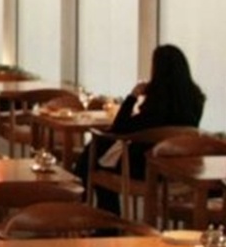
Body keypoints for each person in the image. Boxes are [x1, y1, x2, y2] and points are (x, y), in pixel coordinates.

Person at [82, 43, 207, 213]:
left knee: (95, 152)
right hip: (177, 170)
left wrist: (133, 96)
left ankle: (99, 212)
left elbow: (119, 128)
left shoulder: (157, 105)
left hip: (143, 168)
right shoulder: (196, 101)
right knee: (99, 150)